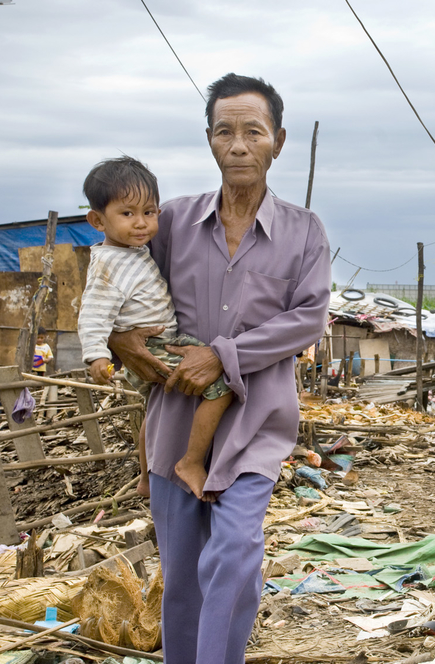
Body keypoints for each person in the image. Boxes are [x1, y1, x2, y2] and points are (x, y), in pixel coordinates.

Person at [107, 73, 330, 664]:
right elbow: (119, 282)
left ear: (276, 141)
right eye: (225, 131)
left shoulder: (304, 233)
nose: (238, 145)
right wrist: (120, 339)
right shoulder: (172, 222)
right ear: (209, 140)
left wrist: (222, 355)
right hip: (175, 419)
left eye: (252, 132)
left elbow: (307, 320)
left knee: (233, 554)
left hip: (256, 423)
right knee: (181, 576)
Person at [77, 156, 234, 502]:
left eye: (149, 212)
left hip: (158, 341)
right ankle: (191, 462)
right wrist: (97, 356)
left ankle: (146, 477)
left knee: (154, 411)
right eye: (128, 213)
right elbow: (92, 313)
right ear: (97, 220)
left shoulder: (131, 253)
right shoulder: (109, 265)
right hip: (161, 345)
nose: (141, 223)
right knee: (223, 388)